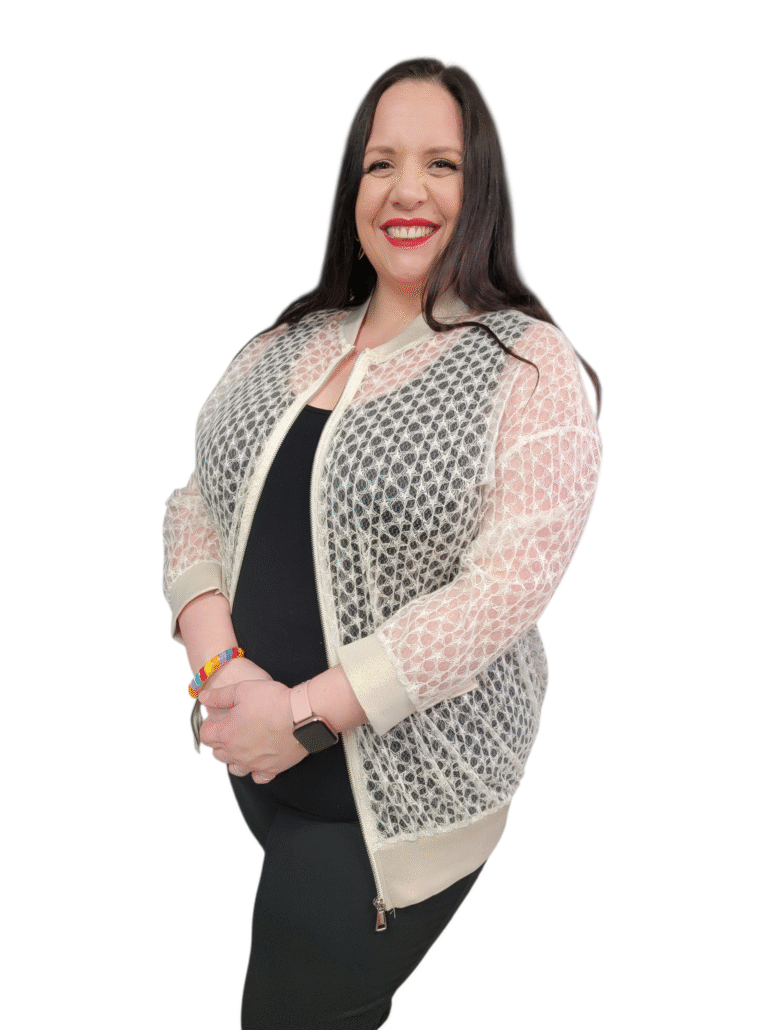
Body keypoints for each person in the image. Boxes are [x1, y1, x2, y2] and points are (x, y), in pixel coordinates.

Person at [163, 57, 602, 1030]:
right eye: (380, 164)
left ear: (478, 189)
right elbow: (196, 505)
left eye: (440, 164)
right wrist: (222, 669)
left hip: (400, 804)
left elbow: (498, 593)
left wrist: (299, 717)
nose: (407, 190)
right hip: (262, 766)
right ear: (351, 189)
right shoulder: (287, 342)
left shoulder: (525, 365)